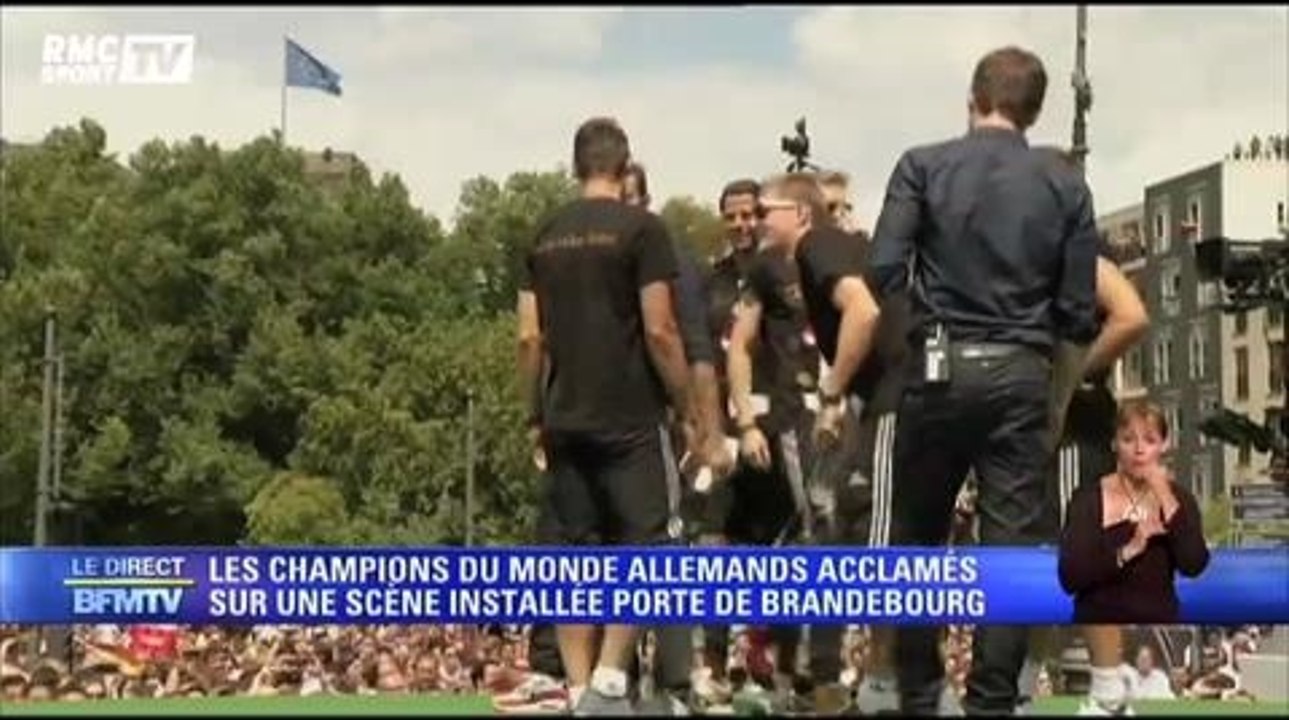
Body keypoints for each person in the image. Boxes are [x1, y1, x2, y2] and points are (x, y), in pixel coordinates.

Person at [866, 46, 1100, 714]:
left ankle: (919, 693)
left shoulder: (922, 165)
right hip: (1021, 368)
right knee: (1010, 550)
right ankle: (991, 699)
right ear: (1034, 110)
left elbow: (882, 268)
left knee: (915, 539)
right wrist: (1053, 401)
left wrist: (924, 328)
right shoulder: (1063, 184)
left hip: (939, 360)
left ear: (972, 98)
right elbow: (1078, 313)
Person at [516, 116, 695, 715]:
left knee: (572, 555)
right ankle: (611, 677)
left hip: (564, 417)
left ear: (575, 166)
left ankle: (574, 684)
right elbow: (662, 329)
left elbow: (527, 340)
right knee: (645, 548)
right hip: (631, 417)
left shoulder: (544, 233)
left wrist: (533, 413)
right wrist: (687, 407)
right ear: (624, 167)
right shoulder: (644, 230)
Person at [1016, 147, 1151, 717]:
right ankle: (1023, 679)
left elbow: (1132, 315)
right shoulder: (1031, 252)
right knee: (1036, 556)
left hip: (1076, 428)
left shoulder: (1081, 253)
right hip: (1037, 427)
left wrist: (1077, 371)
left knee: (1082, 552)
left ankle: (1108, 686)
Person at [623, 161, 732, 715]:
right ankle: (603, 681)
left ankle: (674, 681)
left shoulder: (674, 266)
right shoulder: (586, 257)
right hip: (597, 425)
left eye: (632, 197)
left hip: (657, 424)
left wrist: (702, 426)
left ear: (646, 202)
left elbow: (696, 350)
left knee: (663, 548)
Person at [1058, 400, 1210, 625]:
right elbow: (1070, 577)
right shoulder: (1088, 499)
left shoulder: (1179, 500)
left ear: (1164, 445)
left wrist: (1164, 493)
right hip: (1100, 627)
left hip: (1159, 628)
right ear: (1114, 444)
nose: (1139, 450)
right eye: (1128, 440)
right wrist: (1127, 551)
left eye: (1149, 440)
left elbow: (1194, 564)